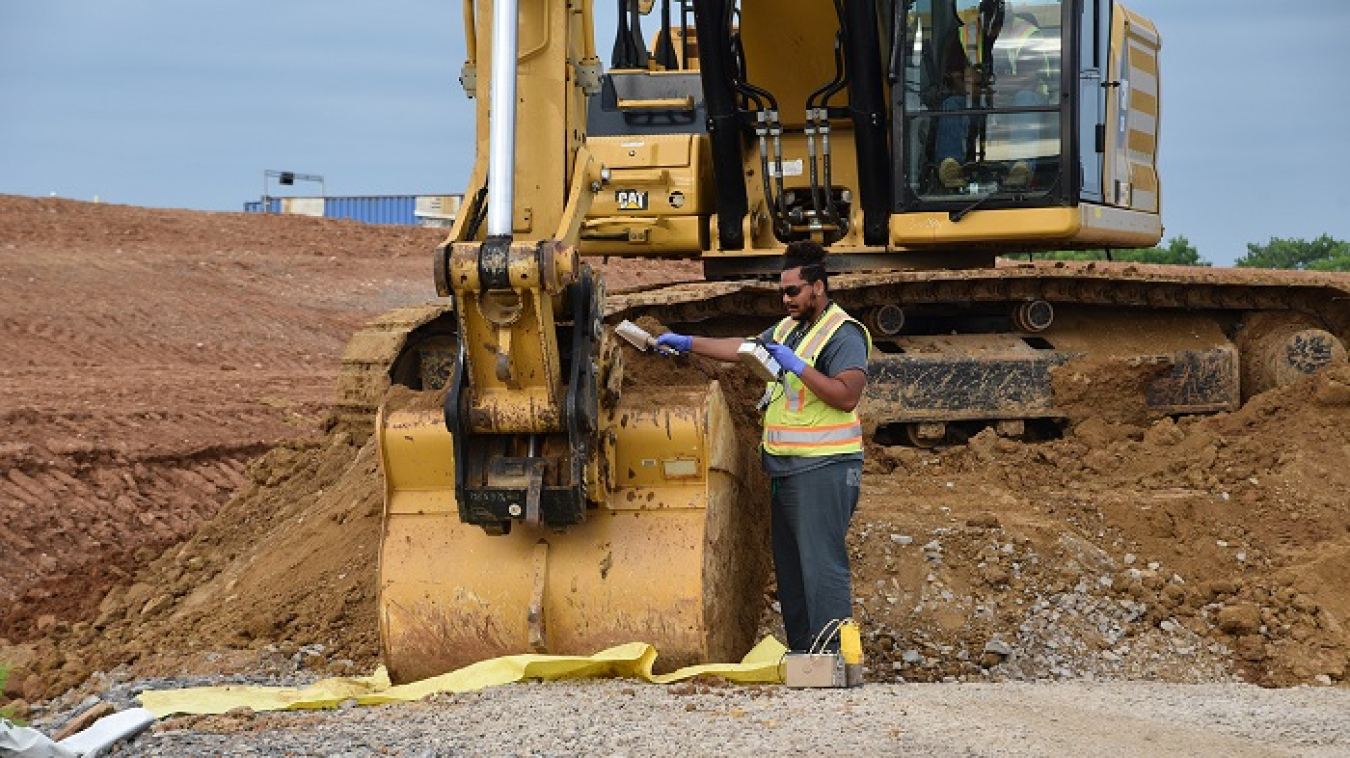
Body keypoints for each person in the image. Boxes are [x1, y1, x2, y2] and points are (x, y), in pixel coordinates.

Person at [654, 241, 872, 653]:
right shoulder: (790, 329)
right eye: (782, 291)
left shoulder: (842, 334)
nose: (785, 298)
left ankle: (838, 659)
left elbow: (846, 396)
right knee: (792, 572)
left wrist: (798, 366)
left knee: (822, 568)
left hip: (824, 467)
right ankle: (807, 657)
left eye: (793, 291)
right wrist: (689, 342)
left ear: (818, 288)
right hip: (787, 468)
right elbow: (743, 349)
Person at [934, 1, 1053, 189]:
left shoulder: (1027, 35)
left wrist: (983, 82)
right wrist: (982, 90)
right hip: (977, 102)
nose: (993, 31)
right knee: (952, 104)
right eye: (988, 24)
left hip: (1017, 105)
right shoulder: (963, 36)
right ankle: (951, 166)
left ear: (1010, 20)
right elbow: (957, 80)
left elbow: (1029, 79)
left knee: (1026, 99)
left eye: (998, 25)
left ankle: (1021, 167)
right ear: (980, 19)